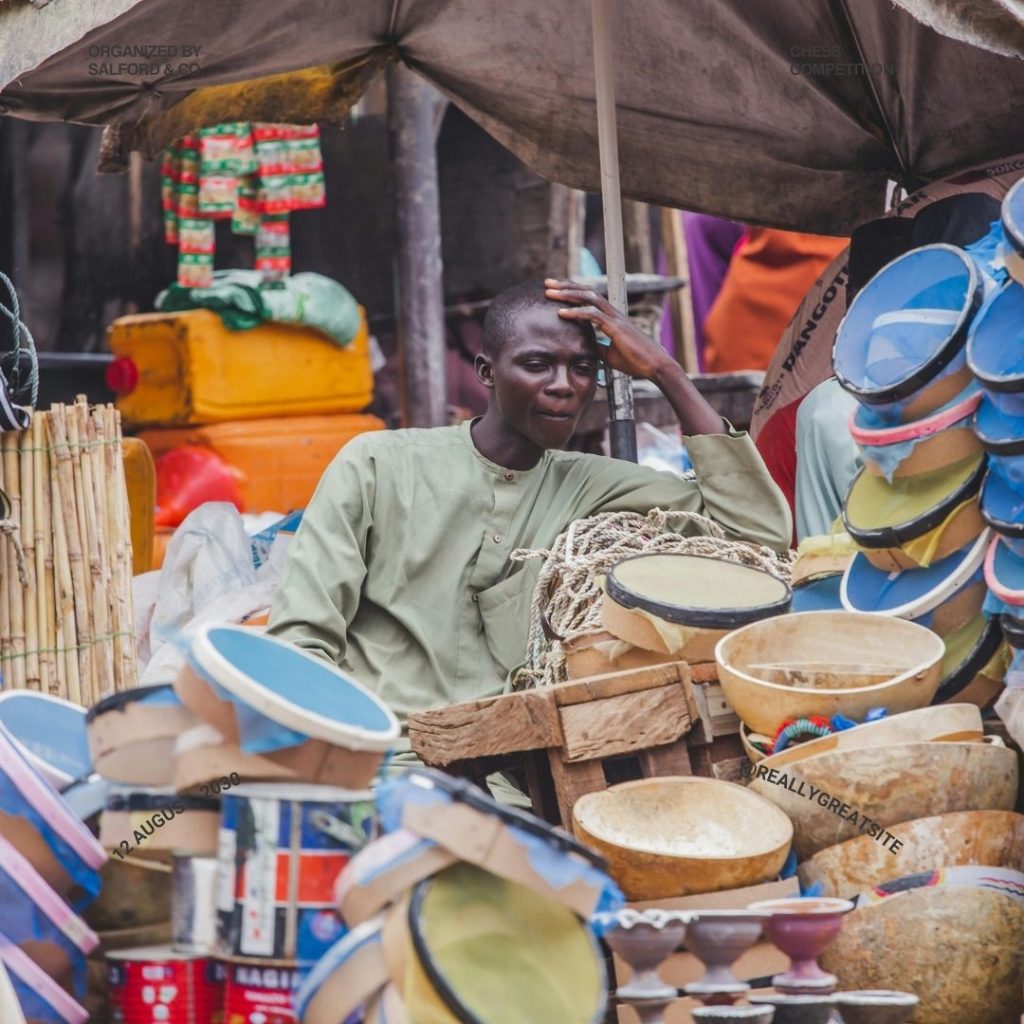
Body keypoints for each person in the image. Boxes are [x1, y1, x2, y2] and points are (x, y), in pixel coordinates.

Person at [267, 280, 791, 724]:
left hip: (508, 777)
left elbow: (753, 535)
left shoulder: (592, 484)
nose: (564, 386)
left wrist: (664, 372)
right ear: (487, 371)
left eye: (583, 368)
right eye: (537, 364)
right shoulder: (378, 465)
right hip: (374, 756)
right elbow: (300, 640)